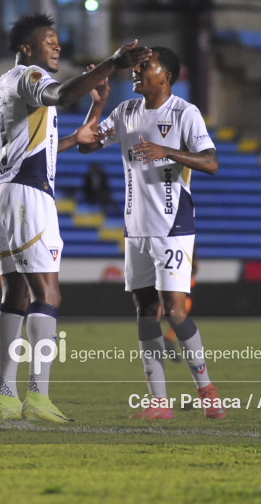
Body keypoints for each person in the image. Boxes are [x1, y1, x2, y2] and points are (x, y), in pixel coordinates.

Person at [0, 13, 152, 423]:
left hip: (4, 193)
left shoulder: (8, 84)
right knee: (49, 295)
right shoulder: (29, 76)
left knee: (16, 296)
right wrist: (112, 63)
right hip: (27, 196)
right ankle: (37, 397)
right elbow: (61, 94)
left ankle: (6, 398)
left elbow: (32, 145)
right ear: (27, 49)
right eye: (49, 41)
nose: (57, 46)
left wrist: (78, 133)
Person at [78, 46, 226, 420]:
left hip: (173, 226)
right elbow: (87, 144)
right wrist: (98, 105)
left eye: (147, 65)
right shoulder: (125, 111)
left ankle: (207, 391)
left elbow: (211, 163)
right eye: (138, 65)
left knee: (175, 312)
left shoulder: (184, 113)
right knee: (145, 310)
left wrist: (168, 151)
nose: (138, 70)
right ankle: (159, 402)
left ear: (167, 76)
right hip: (136, 228)